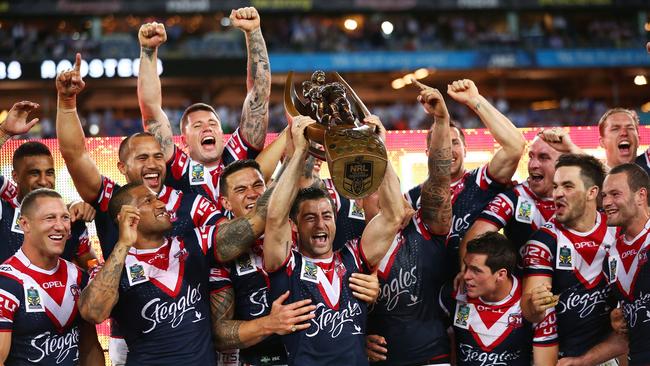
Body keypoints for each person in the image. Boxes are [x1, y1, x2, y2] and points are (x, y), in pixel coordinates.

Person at [262, 115, 408, 365]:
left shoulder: (353, 256)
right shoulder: (287, 264)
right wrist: (298, 153)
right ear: (295, 226)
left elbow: (394, 215)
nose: (320, 224)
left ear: (335, 220)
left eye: (326, 215)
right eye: (310, 217)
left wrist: (379, 149)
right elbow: (275, 217)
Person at [78, 181, 266, 365]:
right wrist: (123, 243)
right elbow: (93, 313)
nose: (161, 204)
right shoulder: (111, 268)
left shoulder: (197, 242)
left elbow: (255, 222)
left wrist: (294, 161)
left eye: (158, 198)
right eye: (148, 201)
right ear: (125, 217)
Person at [137, 6, 270, 205]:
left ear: (221, 133)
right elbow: (151, 112)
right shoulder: (178, 168)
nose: (207, 127)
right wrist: (148, 50)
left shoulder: (237, 154)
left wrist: (254, 33)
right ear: (184, 140)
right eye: (197, 126)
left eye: (212, 123)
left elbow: (259, 94)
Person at [364, 80, 453, 365]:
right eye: (374, 189)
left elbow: (439, 178)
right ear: (360, 202)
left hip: (432, 358)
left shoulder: (427, 228)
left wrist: (441, 120)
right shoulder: (350, 246)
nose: (385, 196)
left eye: (390, 187)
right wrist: (358, 339)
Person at [406, 79, 525, 273]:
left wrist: (474, 99)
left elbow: (515, 146)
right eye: (441, 142)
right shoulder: (411, 198)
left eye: (454, 142)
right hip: (426, 289)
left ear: (465, 149)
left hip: (475, 285)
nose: (448, 149)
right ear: (429, 153)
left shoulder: (482, 181)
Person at [521, 154, 626, 363]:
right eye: (556, 187)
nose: (557, 193)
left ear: (592, 192)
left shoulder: (619, 230)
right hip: (561, 359)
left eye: (568, 186)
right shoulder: (543, 241)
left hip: (607, 353)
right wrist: (534, 305)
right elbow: (531, 312)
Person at [0, 189, 104, 365]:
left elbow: (90, 347)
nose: (60, 226)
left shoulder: (78, 277)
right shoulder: (6, 284)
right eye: (49, 218)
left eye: (64, 217)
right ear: (25, 224)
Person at [0, 101, 97, 268]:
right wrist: (4, 132)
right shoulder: (4, 214)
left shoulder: (71, 221)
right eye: (34, 173)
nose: (44, 181)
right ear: (15, 176)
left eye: (49, 173)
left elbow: (92, 267)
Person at [441, 232, 558, 366]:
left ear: (501, 275)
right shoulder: (453, 294)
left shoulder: (534, 305)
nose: (466, 276)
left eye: (476, 270)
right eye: (466, 267)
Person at [460, 136, 560, 264]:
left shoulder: (581, 195)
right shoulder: (513, 197)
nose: (533, 164)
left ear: (563, 163)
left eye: (543, 157)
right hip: (522, 282)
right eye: (531, 156)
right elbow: (474, 237)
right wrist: (467, 272)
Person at [602, 164, 649, 364]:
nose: (606, 202)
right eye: (604, 196)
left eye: (615, 194)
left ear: (641, 195)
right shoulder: (611, 257)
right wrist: (619, 314)